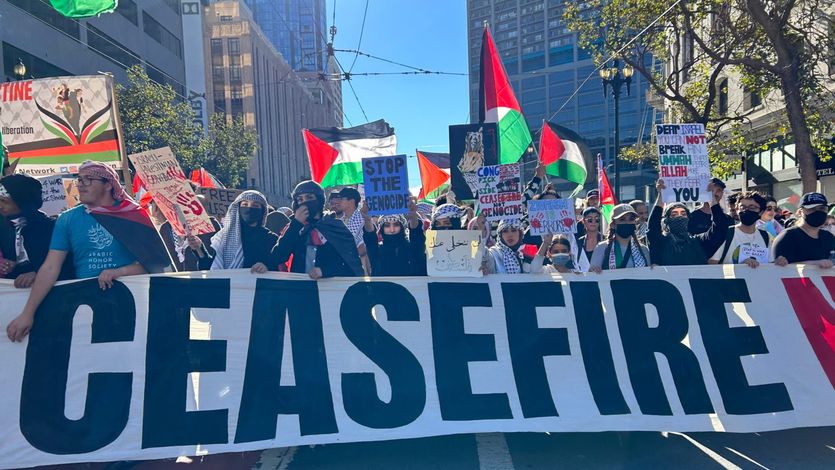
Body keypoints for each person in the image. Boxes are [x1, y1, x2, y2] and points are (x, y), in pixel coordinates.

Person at [7, 160, 171, 342]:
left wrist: (119, 272)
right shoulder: (67, 219)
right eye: (79, 179)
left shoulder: (134, 215)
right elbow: (51, 267)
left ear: (108, 184)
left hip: (132, 303)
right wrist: (27, 313)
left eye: (89, 179)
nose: (81, 185)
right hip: (86, 305)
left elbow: (157, 264)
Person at [270, 180, 363, 278]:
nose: (304, 202)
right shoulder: (294, 228)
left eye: (309, 197)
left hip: (328, 290)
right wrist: (296, 224)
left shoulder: (335, 227)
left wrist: (324, 271)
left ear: (319, 200)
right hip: (299, 290)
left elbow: (350, 265)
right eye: (300, 199)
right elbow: (277, 257)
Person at [0, 174, 72, 287]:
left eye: (4, 201)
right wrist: (10, 265)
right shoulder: (4, 228)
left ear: (21, 201)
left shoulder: (50, 228)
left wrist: (37, 273)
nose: (0, 206)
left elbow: (64, 264)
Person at [647, 179, 731, 266]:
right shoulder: (660, 243)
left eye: (683, 214)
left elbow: (720, 227)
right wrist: (661, 195)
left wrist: (711, 198)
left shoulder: (699, 242)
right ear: (667, 220)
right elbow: (652, 227)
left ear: (688, 219)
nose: (679, 217)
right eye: (674, 214)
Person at [190, 190, 277, 272]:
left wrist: (266, 266)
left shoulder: (270, 239)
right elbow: (212, 268)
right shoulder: (224, 237)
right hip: (228, 287)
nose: (249, 208)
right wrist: (199, 249)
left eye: (255, 206)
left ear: (262, 211)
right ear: (238, 209)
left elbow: (277, 268)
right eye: (245, 205)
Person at [361, 200, 427, 277]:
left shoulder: (412, 248)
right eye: (387, 225)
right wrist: (367, 219)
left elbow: (416, 234)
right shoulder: (377, 251)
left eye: (396, 225)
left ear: (402, 227)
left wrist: (413, 216)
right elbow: (370, 237)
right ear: (381, 229)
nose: (392, 230)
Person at [709, 191, 773, 267]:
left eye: (752, 208)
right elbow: (712, 264)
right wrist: (740, 267)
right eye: (742, 207)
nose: (746, 210)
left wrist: (780, 261)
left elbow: (771, 263)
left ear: (761, 212)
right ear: (737, 210)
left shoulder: (765, 236)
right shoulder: (727, 233)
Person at [772, 192, 834, 267]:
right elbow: (778, 268)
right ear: (801, 212)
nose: (818, 212)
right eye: (812, 209)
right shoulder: (788, 237)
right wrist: (814, 264)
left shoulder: (828, 237)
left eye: (822, 208)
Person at [589, 204, 650, 272]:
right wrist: (594, 271)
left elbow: (650, 275)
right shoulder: (602, 248)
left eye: (631, 219)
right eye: (622, 219)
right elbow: (592, 276)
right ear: (613, 225)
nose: (627, 223)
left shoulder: (643, 250)